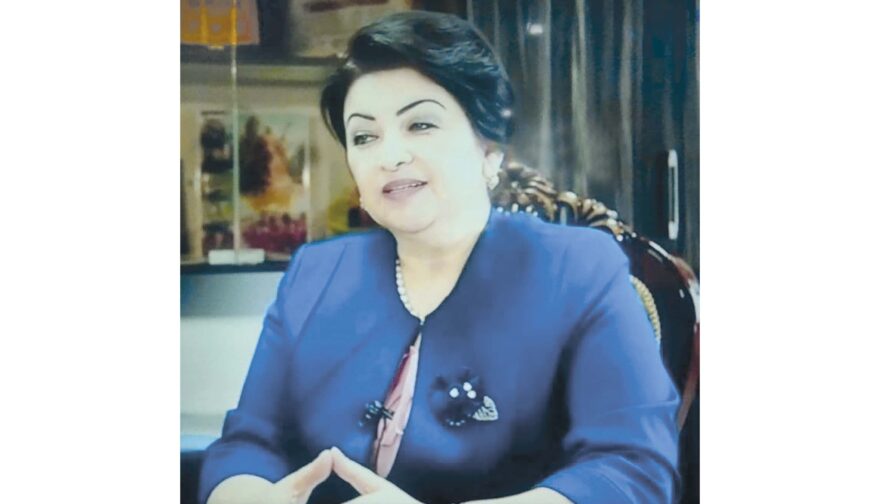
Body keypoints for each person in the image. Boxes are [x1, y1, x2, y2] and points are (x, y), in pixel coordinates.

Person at [199, 11, 680, 504]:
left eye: (421, 124)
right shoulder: (315, 273)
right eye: (364, 137)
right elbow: (248, 443)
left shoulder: (578, 268)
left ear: (489, 149)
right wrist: (247, 495)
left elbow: (633, 469)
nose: (389, 156)